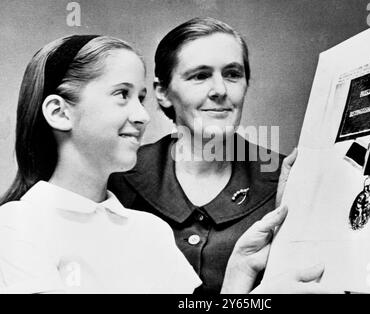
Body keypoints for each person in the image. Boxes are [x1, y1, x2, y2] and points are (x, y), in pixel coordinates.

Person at [0, 35, 318, 294]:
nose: (142, 116)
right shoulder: (16, 226)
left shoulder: (149, 230)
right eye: (122, 95)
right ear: (59, 112)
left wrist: (239, 271)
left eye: (140, 97)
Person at [108, 17, 299, 294]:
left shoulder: (285, 177)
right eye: (200, 75)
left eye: (232, 74)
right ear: (162, 92)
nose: (219, 90)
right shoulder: (117, 178)